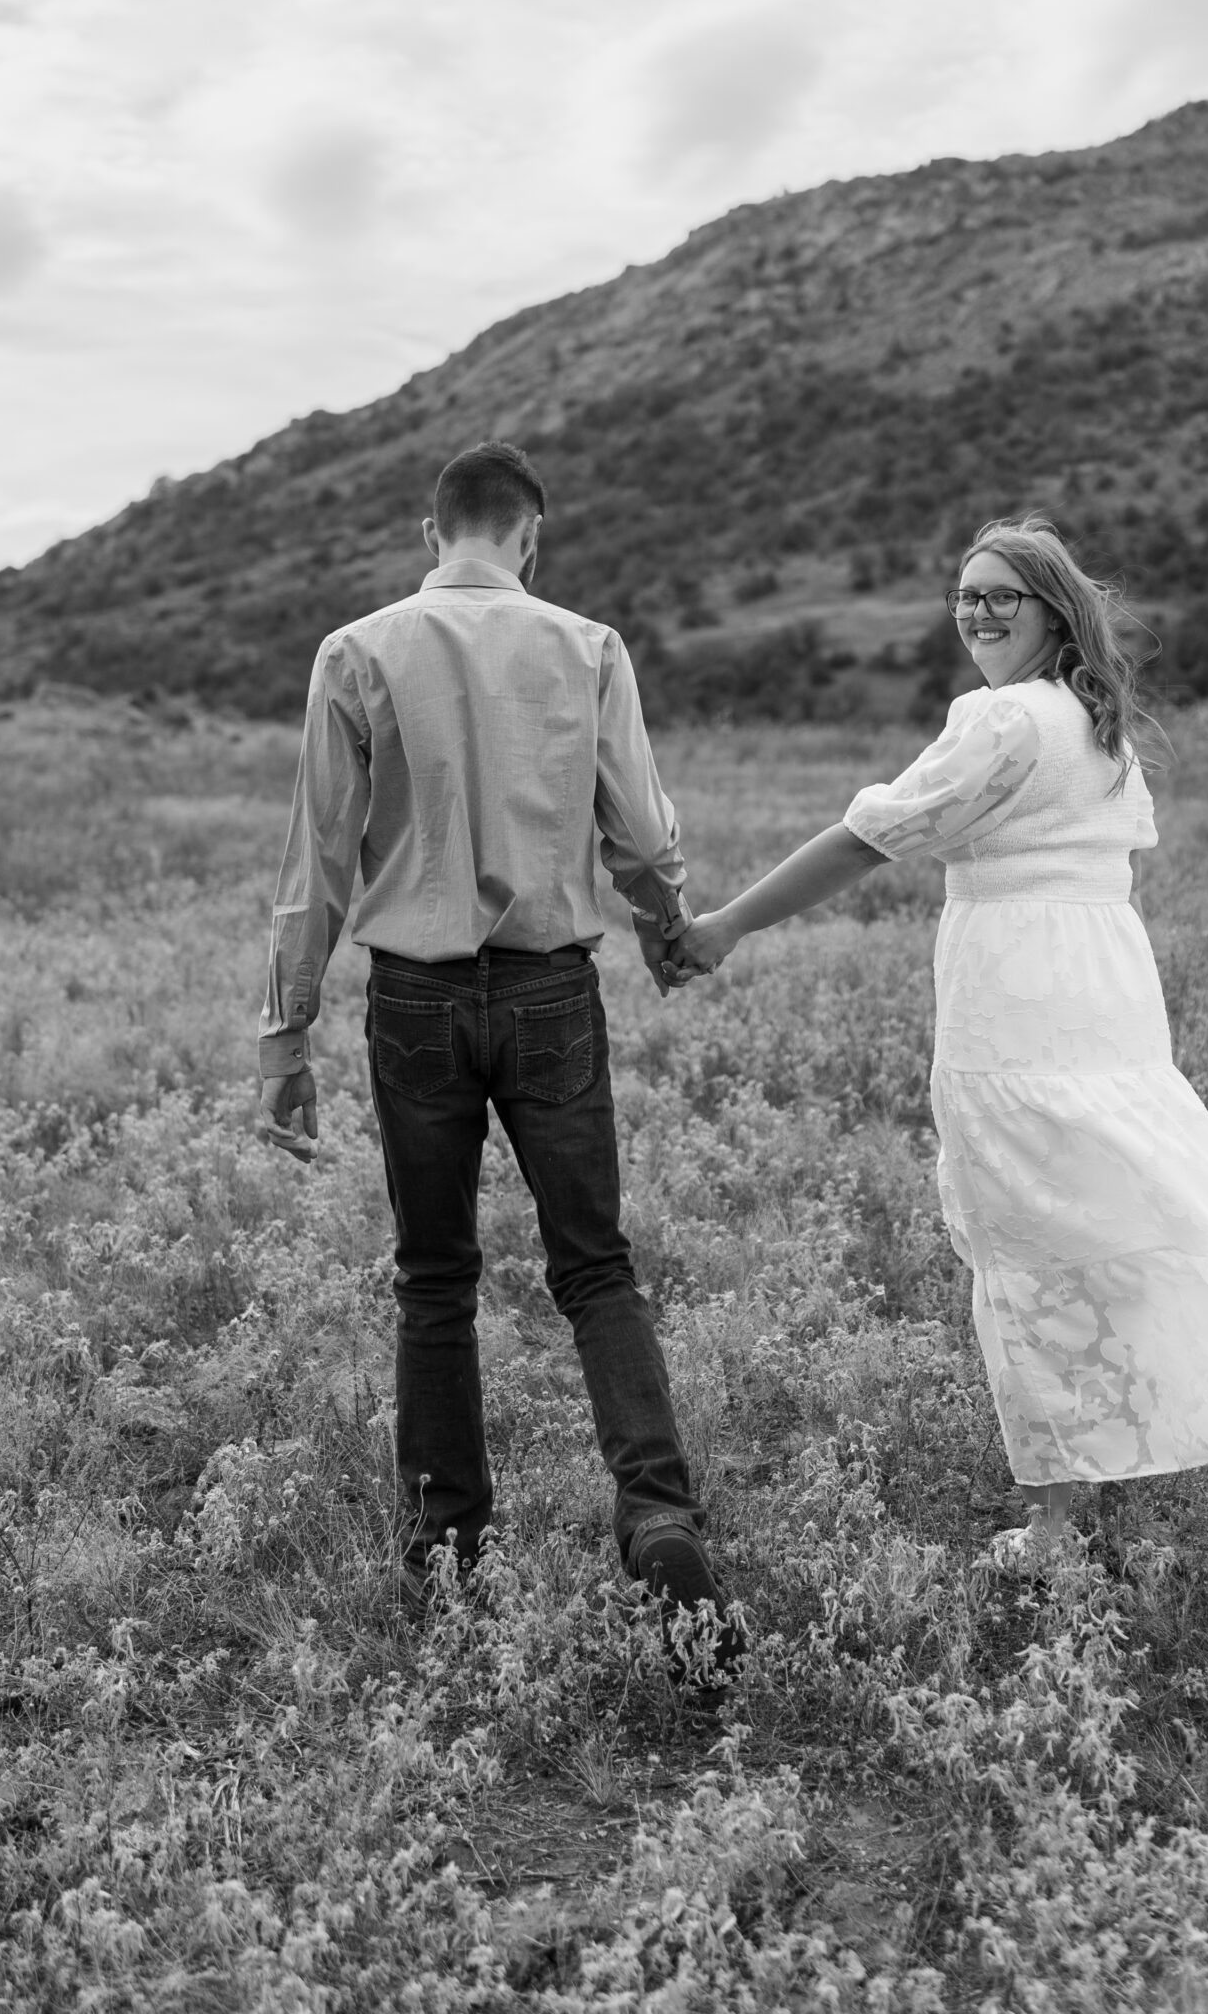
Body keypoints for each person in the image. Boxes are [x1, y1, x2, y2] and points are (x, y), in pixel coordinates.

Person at [670, 513, 1208, 1560]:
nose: (975, 613)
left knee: (1025, 1228)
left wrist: (727, 925)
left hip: (1019, 980)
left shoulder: (1003, 720)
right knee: (1115, 1199)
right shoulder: (1097, 725)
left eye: (999, 596)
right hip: (1103, 977)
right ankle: (1142, 1433)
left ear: (1053, 611)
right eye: (964, 596)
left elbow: (871, 835)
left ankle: (1057, 1515)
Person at [258, 439, 738, 1671]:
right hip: (549, 989)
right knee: (595, 1268)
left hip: (414, 999)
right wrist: (666, 927)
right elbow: (636, 829)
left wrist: (285, 1035)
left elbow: (316, 858)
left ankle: (449, 1549)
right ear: (532, 535)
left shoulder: (356, 651)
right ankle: (659, 1516)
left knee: (434, 1278)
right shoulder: (588, 647)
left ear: (435, 536)